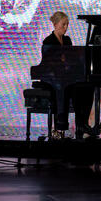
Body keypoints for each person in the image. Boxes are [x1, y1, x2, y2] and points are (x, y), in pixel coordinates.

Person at [42, 11, 94, 139]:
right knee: (69, 88)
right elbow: (50, 64)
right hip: (52, 80)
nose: (65, 28)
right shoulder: (48, 41)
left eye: (67, 25)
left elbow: (71, 59)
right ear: (55, 24)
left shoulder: (67, 40)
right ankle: (60, 126)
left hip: (66, 78)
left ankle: (82, 124)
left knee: (88, 86)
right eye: (63, 24)